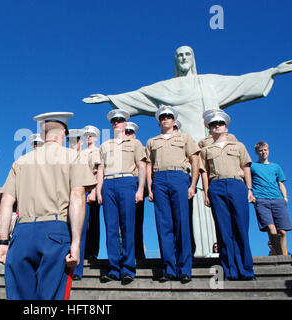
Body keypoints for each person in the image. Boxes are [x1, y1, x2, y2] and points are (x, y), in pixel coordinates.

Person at [83, 45, 292, 257]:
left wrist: (272, 71)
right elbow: (140, 95)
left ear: (193, 59)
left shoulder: (209, 82)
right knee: (176, 215)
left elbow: (240, 82)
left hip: (203, 152)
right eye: (179, 55)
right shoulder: (166, 88)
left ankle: (225, 257)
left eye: (187, 55)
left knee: (214, 207)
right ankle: (183, 257)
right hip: (174, 165)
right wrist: (110, 98)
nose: (183, 58)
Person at [0, 112, 96, 300]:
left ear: (43, 136)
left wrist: (3, 242)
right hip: (55, 231)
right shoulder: (73, 157)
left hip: (22, 233)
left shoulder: (20, 161)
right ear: (63, 135)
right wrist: (76, 243)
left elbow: (6, 201)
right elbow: (77, 196)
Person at [145, 106, 200, 283]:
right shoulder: (152, 141)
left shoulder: (184, 137)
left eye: (168, 116)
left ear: (174, 121)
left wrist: (193, 185)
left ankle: (184, 269)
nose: (165, 119)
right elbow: (148, 165)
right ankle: (169, 268)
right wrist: (150, 187)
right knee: (164, 225)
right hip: (159, 178)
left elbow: (195, 160)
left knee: (182, 223)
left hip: (180, 177)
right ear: (159, 121)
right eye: (162, 117)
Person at [201, 109, 255, 281]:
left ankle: (246, 270)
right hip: (216, 185)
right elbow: (204, 172)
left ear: (226, 127)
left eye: (220, 123)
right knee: (223, 230)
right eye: (213, 124)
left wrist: (249, 189)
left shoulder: (238, 146)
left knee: (240, 228)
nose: (217, 126)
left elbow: (246, 167)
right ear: (209, 129)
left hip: (236, 184)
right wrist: (206, 192)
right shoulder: (206, 150)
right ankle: (229, 270)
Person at [96, 109, 146, 285]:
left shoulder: (135, 143)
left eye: (119, 120)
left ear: (125, 124)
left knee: (127, 227)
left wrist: (140, 189)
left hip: (127, 182)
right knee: (110, 228)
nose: (116, 122)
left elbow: (141, 167)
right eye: (114, 121)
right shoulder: (105, 145)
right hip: (108, 184)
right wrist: (98, 190)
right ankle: (113, 268)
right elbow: (100, 170)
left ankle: (128, 269)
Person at [250, 141, 291, 255]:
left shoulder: (276, 167)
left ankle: (284, 255)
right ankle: (278, 255)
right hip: (261, 200)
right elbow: (246, 181)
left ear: (268, 151)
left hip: (278, 199)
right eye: (261, 150)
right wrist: (251, 194)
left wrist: (285, 197)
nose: (263, 152)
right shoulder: (253, 166)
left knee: (282, 232)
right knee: (271, 229)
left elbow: (281, 183)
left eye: (265, 150)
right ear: (256, 152)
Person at [73, 125, 101, 280]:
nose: (89, 137)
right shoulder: (80, 153)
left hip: (91, 189)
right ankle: (81, 253)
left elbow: (97, 172)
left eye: (91, 135)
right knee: (79, 224)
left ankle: (92, 252)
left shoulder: (98, 151)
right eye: (87, 135)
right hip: (79, 190)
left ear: (96, 138)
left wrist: (95, 191)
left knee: (93, 222)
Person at [125, 122, 146, 260]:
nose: (128, 134)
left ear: (135, 134)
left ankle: (138, 253)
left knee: (137, 223)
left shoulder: (141, 147)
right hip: (124, 186)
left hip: (138, 187)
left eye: (130, 132)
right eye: (126, 132)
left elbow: (146, 168)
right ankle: (126, 253)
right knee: (124, 224)